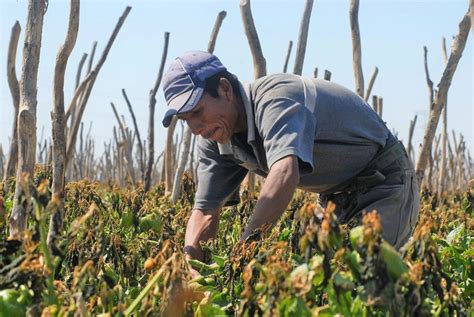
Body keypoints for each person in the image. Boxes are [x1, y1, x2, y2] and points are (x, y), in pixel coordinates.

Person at [161, 51, 419, 276]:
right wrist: (191, 262)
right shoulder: (214, 134)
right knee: (316, 281)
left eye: (197, 112)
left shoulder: (276, 99)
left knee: (364, 280)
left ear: (225, 89)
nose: (195, 128)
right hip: (334, 197)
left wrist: (244, 250)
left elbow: (285, 173)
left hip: (385, 182)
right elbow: (205, 210)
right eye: (186, 119)